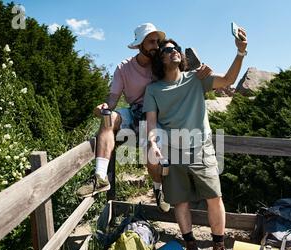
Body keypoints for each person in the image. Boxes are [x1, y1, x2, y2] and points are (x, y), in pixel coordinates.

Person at [143, 28, 248, 250]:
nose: (174, 51)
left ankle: (218, 249)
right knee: (180, 201)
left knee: (215, 197)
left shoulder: (197, 79)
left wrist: (241, 51)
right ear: (161, 59)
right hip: (172, 150)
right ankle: (190, 247)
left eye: (175, 48)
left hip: (202, 149)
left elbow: (228, 80)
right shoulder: (153, 90)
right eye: (167, 50)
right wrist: (152, 143)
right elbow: (151, 124)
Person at [76, 23, 212, 213]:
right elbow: (112, 100)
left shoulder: (161, 64)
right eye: (151, 42)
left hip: (156, 115)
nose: (156, 46)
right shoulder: (123, 68)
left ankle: (158, 189)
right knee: (108, 119)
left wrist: (203, 70)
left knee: (153, 149)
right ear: (140, 44)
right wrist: (103, 108)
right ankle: (100, 177)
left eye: (158, 42)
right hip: (134, 112)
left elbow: (182, 72)